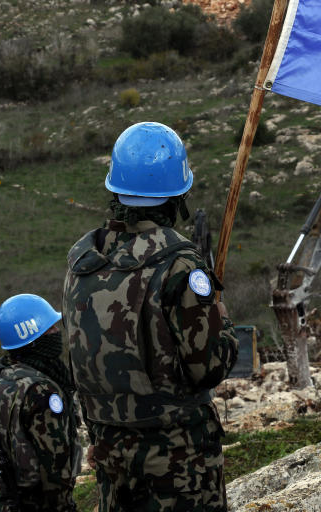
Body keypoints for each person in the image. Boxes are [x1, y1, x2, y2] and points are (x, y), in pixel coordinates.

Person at [62, 121, 239, 511]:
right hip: (179, 462)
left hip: (110, 453)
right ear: (177, 195)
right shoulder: (180, 264)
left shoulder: (83, 262)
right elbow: (208, 368)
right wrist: (222, 321)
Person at [0, 293, 82, 512]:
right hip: (40, 503)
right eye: (50, 328)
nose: (57, 332)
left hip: (7, 500)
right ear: (32, 337)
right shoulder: (42, 390)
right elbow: (55, 466)